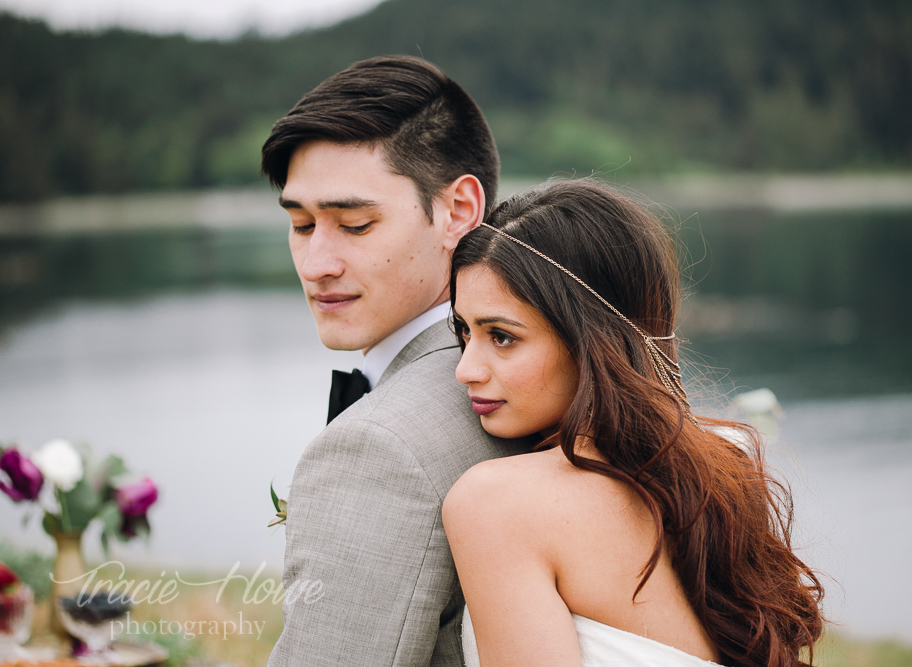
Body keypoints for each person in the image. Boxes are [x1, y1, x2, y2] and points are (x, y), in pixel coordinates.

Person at [443, 180, 825, 666]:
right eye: (463, 331)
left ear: (591, 339)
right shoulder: (726, 466)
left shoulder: (493, 504)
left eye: (501, 336)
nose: (465, 369)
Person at [261, 56, 532, 666]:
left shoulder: (379, 450)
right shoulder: (544, 377)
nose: (315, 264)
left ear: (459, 211)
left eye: (354, 225)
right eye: (301, 225)